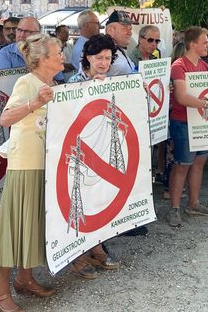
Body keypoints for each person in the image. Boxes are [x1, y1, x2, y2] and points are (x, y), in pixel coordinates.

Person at [0, 34, 63, 311]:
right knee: (15, 225)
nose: (63, 56)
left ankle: (25, 278)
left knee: (32, 224)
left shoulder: (52, 83)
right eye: (58, 52)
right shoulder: (27, 82)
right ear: (43, 59)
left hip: (44, 162)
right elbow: (6, 118)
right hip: (25, 162)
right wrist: (33, 103)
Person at [66, 34, 121, 274]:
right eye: (99, 57)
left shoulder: (111, 82)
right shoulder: (73, 82)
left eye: (108, 58)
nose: (104, 62)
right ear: (88, 57)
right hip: (81, 152)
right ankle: (78, 254)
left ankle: (97, 247)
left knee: (98, 199)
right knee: (80, 202)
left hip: (101, 149)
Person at [167, 27, 208, 227]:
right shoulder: (178, 66)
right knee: (182, 165)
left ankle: (193, 203)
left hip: (201, 123)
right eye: (205, 41)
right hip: (183, 122)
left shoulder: (204, 66)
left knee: (199, 163)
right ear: (193, 44)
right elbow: (181, 97)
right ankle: (174, 208)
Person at [105, 10, 136, 76]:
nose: (130, 33)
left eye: (130, 29)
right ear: (110, 31)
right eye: (124, 28)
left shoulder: (119, 49)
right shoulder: (100, 51)